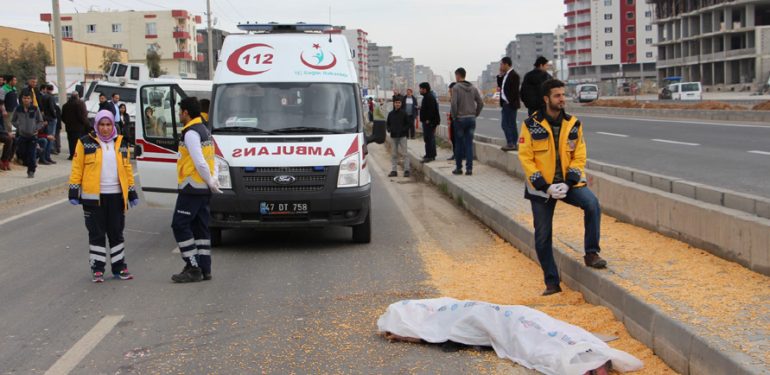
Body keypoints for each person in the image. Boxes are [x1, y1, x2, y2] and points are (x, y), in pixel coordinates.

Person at [517, 79, 607, 296]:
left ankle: (591, 253)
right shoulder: (531, 125)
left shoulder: (573, 123)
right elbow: (526, 158)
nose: (562, 99)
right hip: (541, 188)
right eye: (557, 96)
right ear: (546, 99)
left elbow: (579, 155)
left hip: (569, 184)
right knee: (543, 235)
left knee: (592, 204)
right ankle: (552, 282)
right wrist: (545, 186)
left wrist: (568, 184)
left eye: (563, 95)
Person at [68, 110, 138, 283]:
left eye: (108, 125)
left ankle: (119, 267)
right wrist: (73, 190)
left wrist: (131, 191)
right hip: (94, 197)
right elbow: (77, 168)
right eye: (102, 125)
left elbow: (127, 168)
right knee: (96, 234)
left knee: (116, 233)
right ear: (96, 125)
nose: (105, 128)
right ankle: (97, 268)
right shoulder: (85, 143)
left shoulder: (121, 143)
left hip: (116, 196)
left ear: (113, 125)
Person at [171, 97, 221, 283]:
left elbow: (200, 161)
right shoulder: (205, 130)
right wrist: (212, 181)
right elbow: (212, 158)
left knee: (179, 224)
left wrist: (209, 179)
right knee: (200, 228)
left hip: (191, 187)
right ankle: (205, 268)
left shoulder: (191, 133)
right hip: (203, 189)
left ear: (185, 113)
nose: (179, 115)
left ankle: (192, 266)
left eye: (180, 112)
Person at [450, 68, 483, 176]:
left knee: (459, 144)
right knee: (469, 144)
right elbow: (480, 102)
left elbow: (454, 104)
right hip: (471, 119)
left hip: (460, 119)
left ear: (458, 76)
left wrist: (454, 116)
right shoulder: (473, 88)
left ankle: (459, 168)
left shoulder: (456, 88)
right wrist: (475, 114)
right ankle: (469, 169)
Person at [11, 92, 43, 178]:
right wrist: (19, 126)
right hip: (22, 135)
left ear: (31, 99)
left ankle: (31, 171)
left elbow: (40, 121)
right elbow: (13, 120)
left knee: (31, 153)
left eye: (28, 98)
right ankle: (36, 155)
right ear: (22, 99)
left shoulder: (35, 109)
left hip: (32, 135)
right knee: (22, 153)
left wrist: (36, 128)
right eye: (24, 98)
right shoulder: (18, 109)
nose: (26, 100)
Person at [497, 57, 521, 151]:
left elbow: (515, 91)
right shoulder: (505, 75)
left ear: (506, 64)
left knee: (510, 124)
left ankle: (512, 143)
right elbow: (500, 86)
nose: (500, 66)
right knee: (505, 124)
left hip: (510, 104)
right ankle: (510, 143)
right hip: (505, 104)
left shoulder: (514, 75)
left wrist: (509, 101)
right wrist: (500, 75)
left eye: (501, 64)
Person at [386, 97, 411, 178]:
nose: (397, 104)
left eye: (399, 103)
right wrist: (389, 129)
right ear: (394, 103)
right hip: (393, 137)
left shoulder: (404, 113)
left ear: (401, 104)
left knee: (405, 154)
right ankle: (394, 171)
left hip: (402, 136)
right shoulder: (390, 114)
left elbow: (408, 124)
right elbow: (388, 124)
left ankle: (406, 170)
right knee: (394, 154)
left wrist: (402, 130)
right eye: (396, 102)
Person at [62, 91, 90, 160]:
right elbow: (82, 116)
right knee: (78, 142)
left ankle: (72, 155)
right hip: (79, 127)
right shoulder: (80, 104)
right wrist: (87, 124)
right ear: (77, 96)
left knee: (71, 142)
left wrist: (67, 123)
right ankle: (77, 155)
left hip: (69, 127)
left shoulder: (65, 105)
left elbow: (62, 117)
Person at [418, 82, 440, 163]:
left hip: (429, 122)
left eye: (420, 89)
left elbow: (431, 110)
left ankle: (429, 156)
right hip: (429, 121)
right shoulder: (427, 96)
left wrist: (428, 120)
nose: (420, 90)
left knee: (428, 138)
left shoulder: (429, 97)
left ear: (424, 89)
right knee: (430, 138)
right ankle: (431, 155)